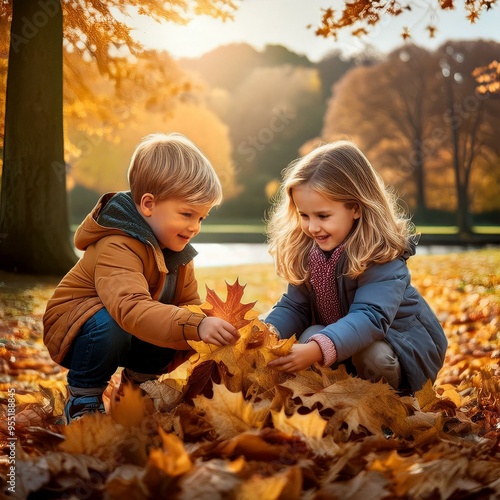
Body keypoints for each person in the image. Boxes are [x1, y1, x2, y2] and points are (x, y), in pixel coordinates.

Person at [43, 133, 239, 422]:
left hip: (131, 327)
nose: (195, 226)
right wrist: (195, 324)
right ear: (148, 205)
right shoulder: (117, 243)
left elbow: (188, 305)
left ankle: (137, 392)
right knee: (113, 321)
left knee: (177, 320)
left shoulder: (177, 251)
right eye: (187, 214)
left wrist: (210, 324)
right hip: (78, 325)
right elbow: (130, 308)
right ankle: (83, 397)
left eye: (201, 218)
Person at [264, 140, 447, 393]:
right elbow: (296, 306)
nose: (312, 227)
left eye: (323, 216)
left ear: (356, 208)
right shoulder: (310, 251)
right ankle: (340, 402)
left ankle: (390, 408)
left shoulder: (382, 255)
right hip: (342, 343)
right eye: (304, 216)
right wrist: (268, 331)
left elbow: (370, 317)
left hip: (401, 349)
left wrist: (318, 349)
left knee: (372, 355)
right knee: (310, 334)